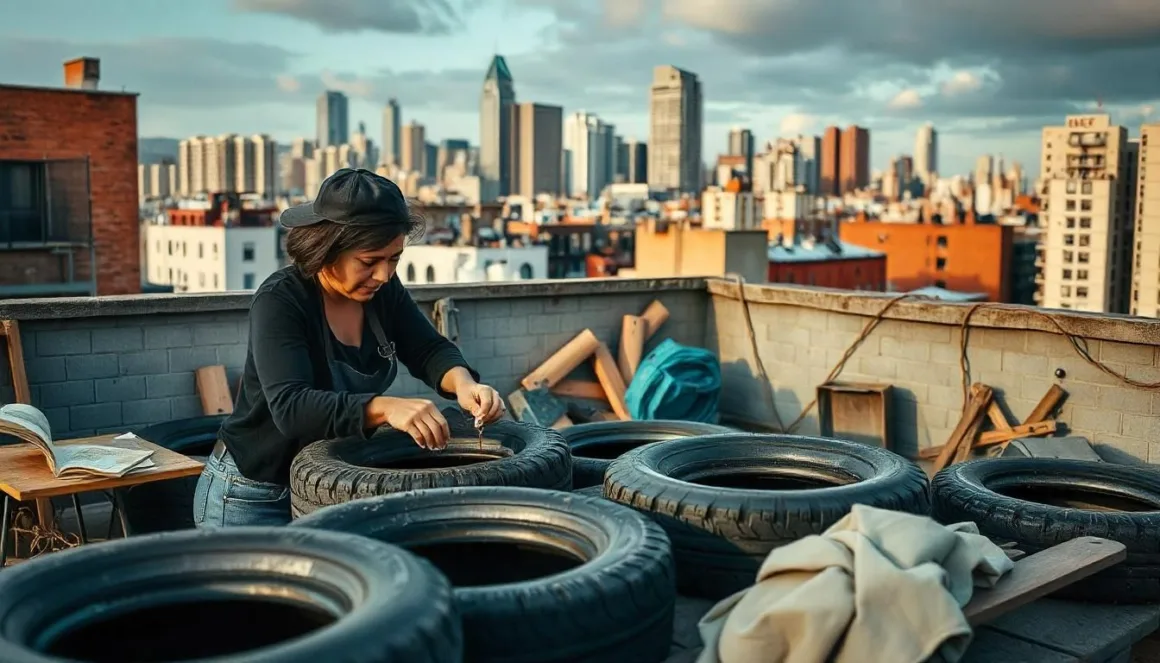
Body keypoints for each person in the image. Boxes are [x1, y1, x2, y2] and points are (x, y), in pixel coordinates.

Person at [192, 168, 506, 528]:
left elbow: (427, 349)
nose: (384, 275)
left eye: (394, 259)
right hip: (251, 495)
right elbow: (291, 407)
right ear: (327, 250)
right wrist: (386, 408)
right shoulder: (280, 300)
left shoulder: (382, 292)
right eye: (369, 261)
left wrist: (464, 385)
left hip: (325, 485)